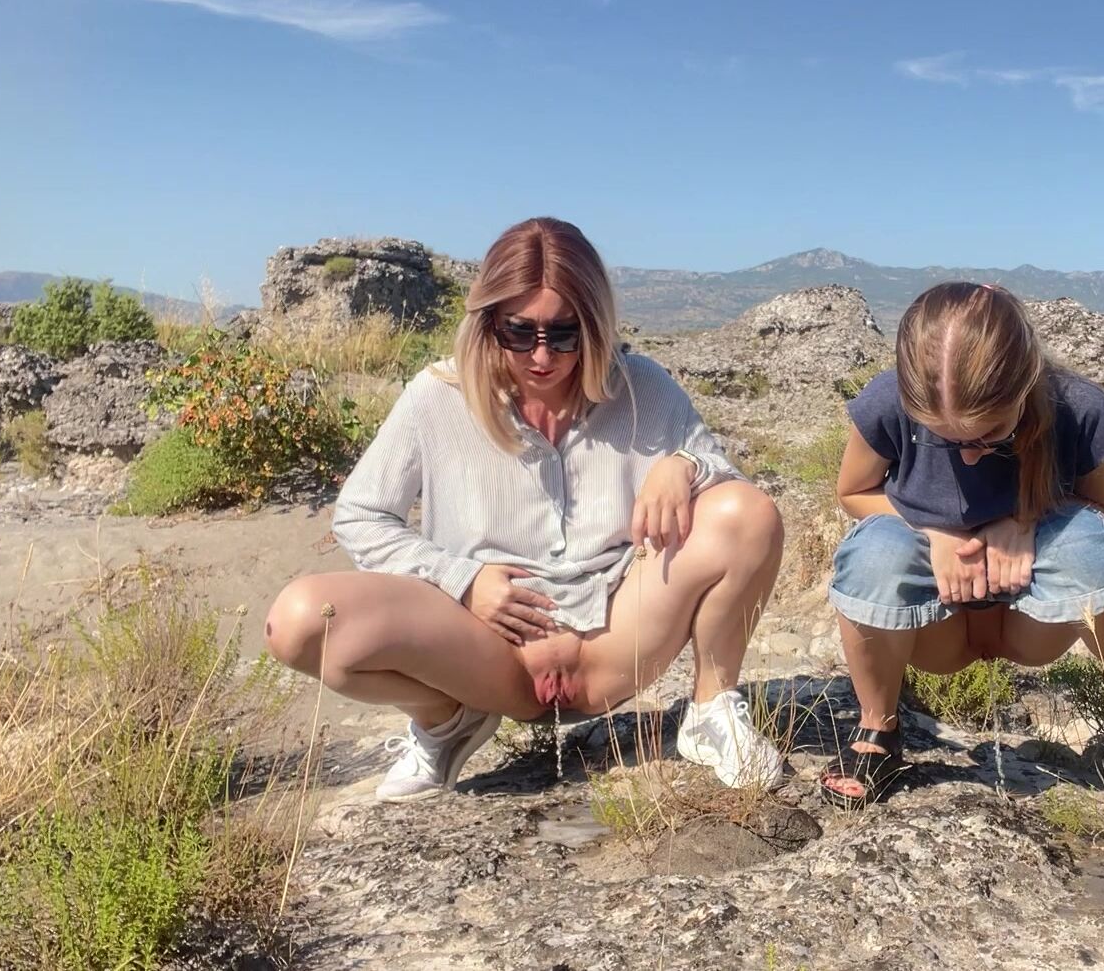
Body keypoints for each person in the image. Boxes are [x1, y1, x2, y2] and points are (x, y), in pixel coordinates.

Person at [265, 217, 785, 802]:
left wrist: (684, 466)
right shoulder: (438, 396)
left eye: (565, 334)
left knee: (749, 514)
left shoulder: (639, 387)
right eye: (520, 332)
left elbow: (730, 486)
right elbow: (361, 515)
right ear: (488, 323)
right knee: (304, 621)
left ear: (594, 325)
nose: (542, 356)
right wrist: (463, 581)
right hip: (489, 659)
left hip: (618, 644)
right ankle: (446, 721)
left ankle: (711, 710)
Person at [819, 281, 1104, 808]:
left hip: (1028, 625)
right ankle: (879, 731)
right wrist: (932, 532)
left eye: (990, 436)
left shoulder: (1073, 406)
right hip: (937, 630)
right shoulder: (886, 401)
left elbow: (1096, 508)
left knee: (1091, 550)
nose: (968, 456)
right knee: (873, 552)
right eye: (947, 438)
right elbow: (853, 492)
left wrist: (1025, 521)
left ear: (1025, 384)